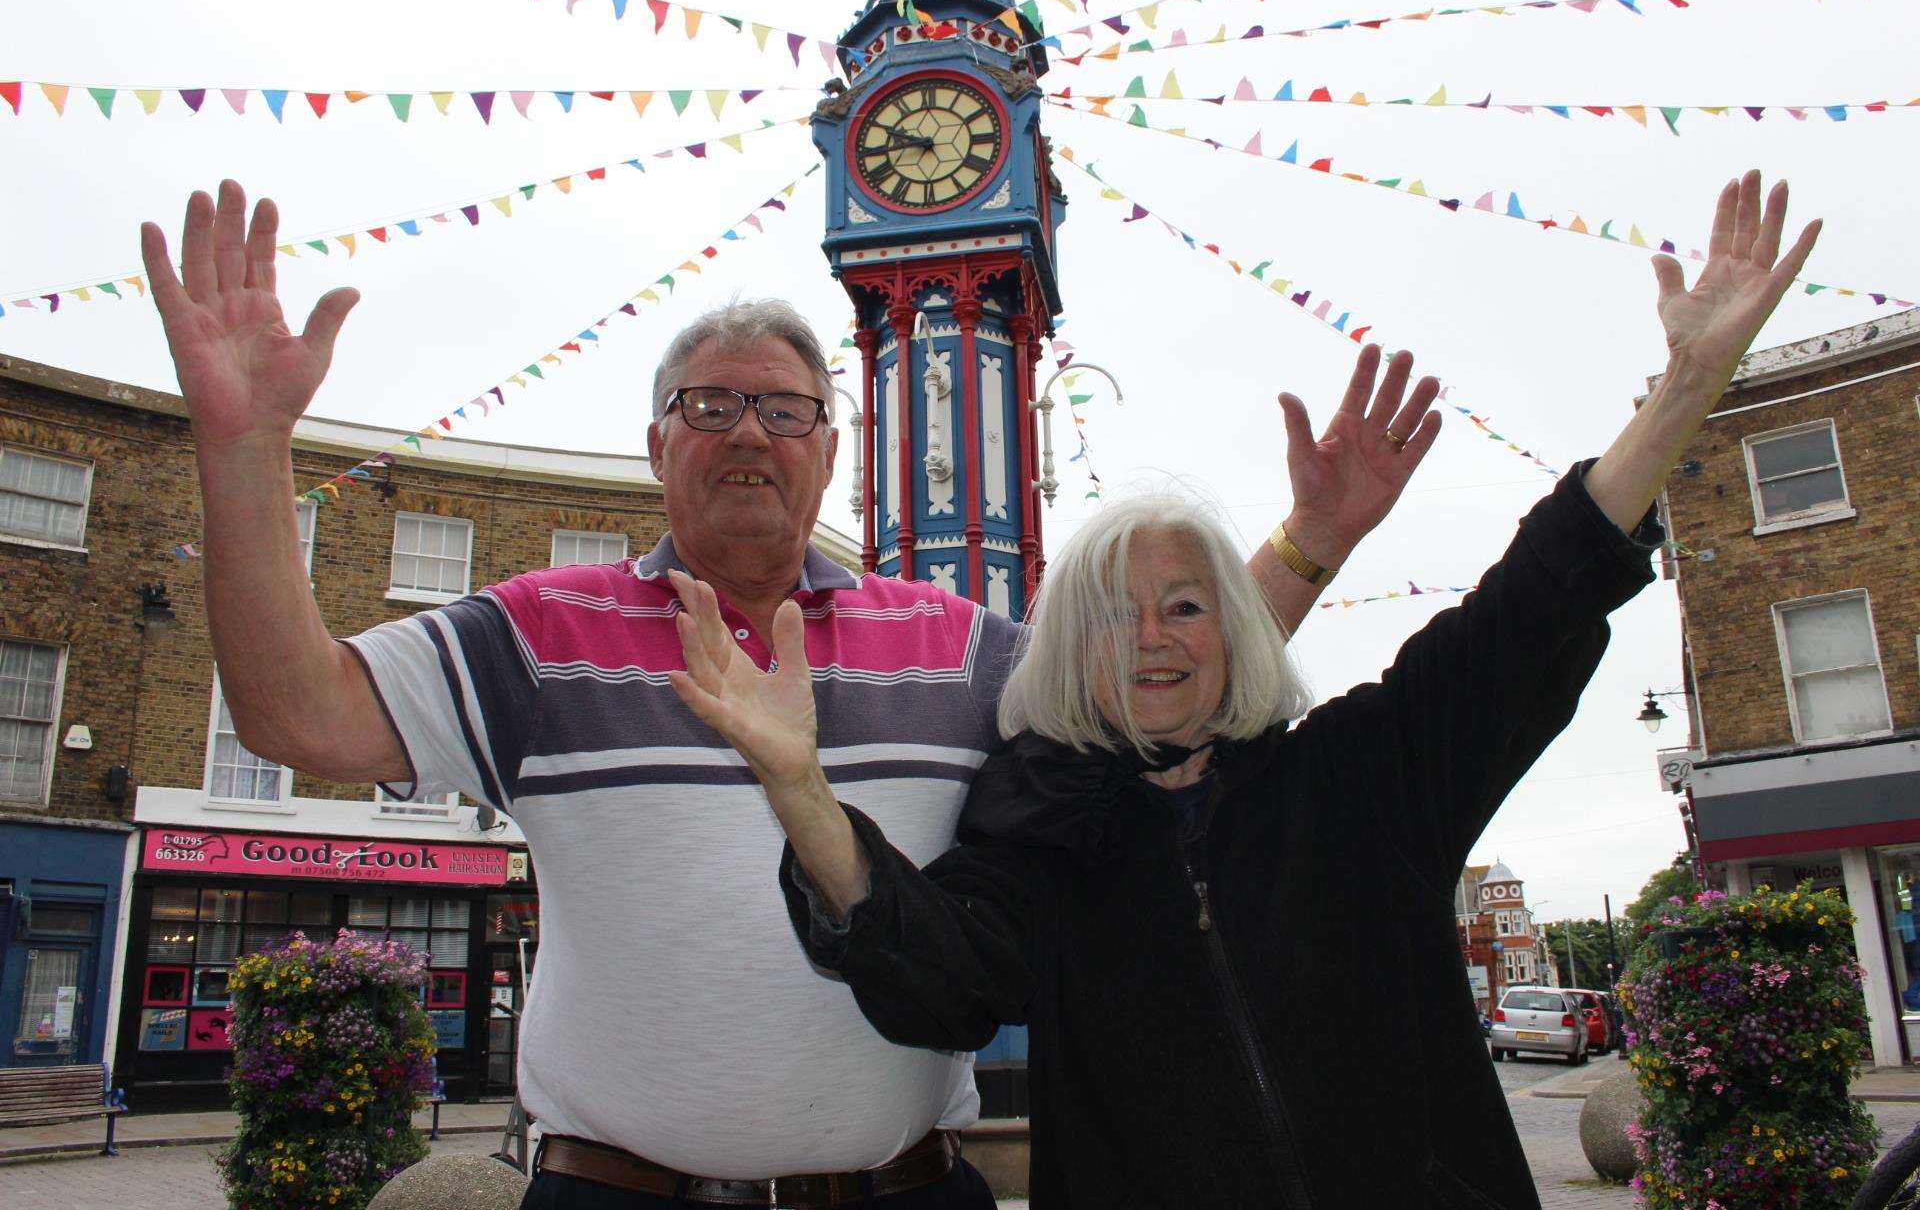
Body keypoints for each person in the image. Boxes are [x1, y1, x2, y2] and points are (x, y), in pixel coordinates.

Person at [137, 180, 1441, 1208]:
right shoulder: (534, 635)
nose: (749, 432)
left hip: (905, 1195)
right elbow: (295, 718)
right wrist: (245, 448)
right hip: (616, 1197)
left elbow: (1152, 684)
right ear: (658, 446)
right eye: (710, 405)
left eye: (784, 409)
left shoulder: (961, 646)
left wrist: (1309, 547)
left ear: (831, 448)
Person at [664, 173, 1822, 1206]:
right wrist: (799, 786)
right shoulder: (1047, 839)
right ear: (1074, 653)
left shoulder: (1365, 776)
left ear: (1234, 627)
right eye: (1115, 611)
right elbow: (937, 982)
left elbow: (1531, 609)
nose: (1154, 639)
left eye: (1185, 604)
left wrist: (1687, 386)